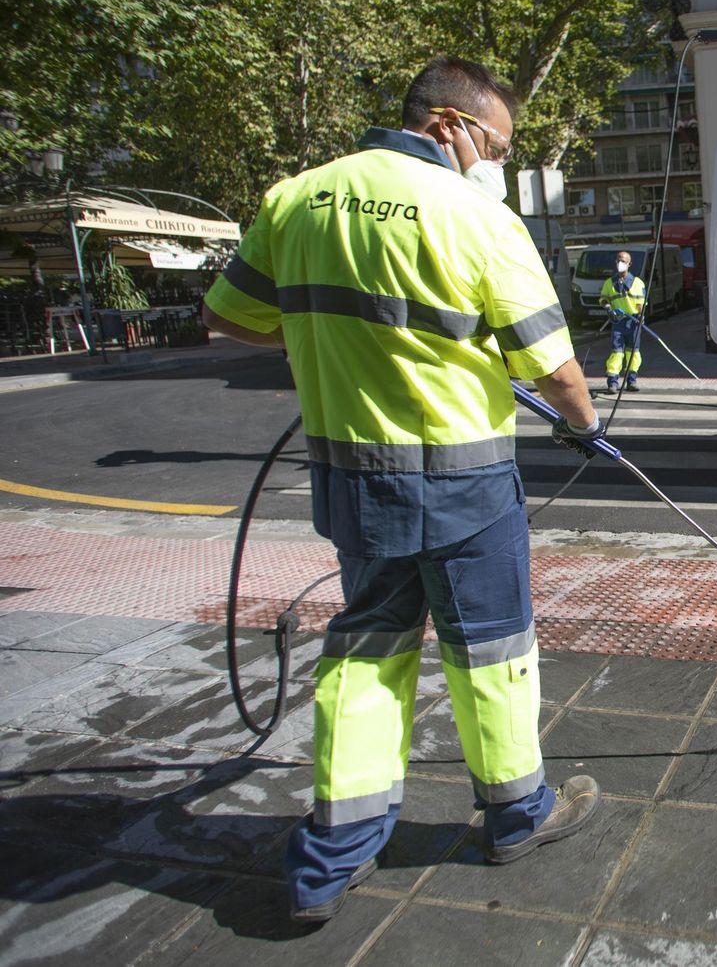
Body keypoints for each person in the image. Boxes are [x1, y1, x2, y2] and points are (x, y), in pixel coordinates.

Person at [201, 57, 607, 924]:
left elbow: (226, 315)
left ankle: (333, 854)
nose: (495, 160)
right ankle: (517, 814)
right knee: (490, 651)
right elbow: (558, 372)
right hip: (464, 482)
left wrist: (321, 337)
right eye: (496, 142)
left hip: (353, 479)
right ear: (449, 127)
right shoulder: (476, 217)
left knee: (365, 650)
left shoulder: (296, 198)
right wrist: (584, 424)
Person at [600, 250, 646, 392]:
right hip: (618, 322)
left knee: (633, 352)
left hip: (633, 322)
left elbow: (641, 304)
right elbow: (603, 299)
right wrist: (608, 308)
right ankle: (612, 382)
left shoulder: (637, 283)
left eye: (624, 261)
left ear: (629, 264)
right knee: (617, 352)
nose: (621, 263)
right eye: (619, 260)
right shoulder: (609, 283)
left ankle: (631, 381)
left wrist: (641, 316)